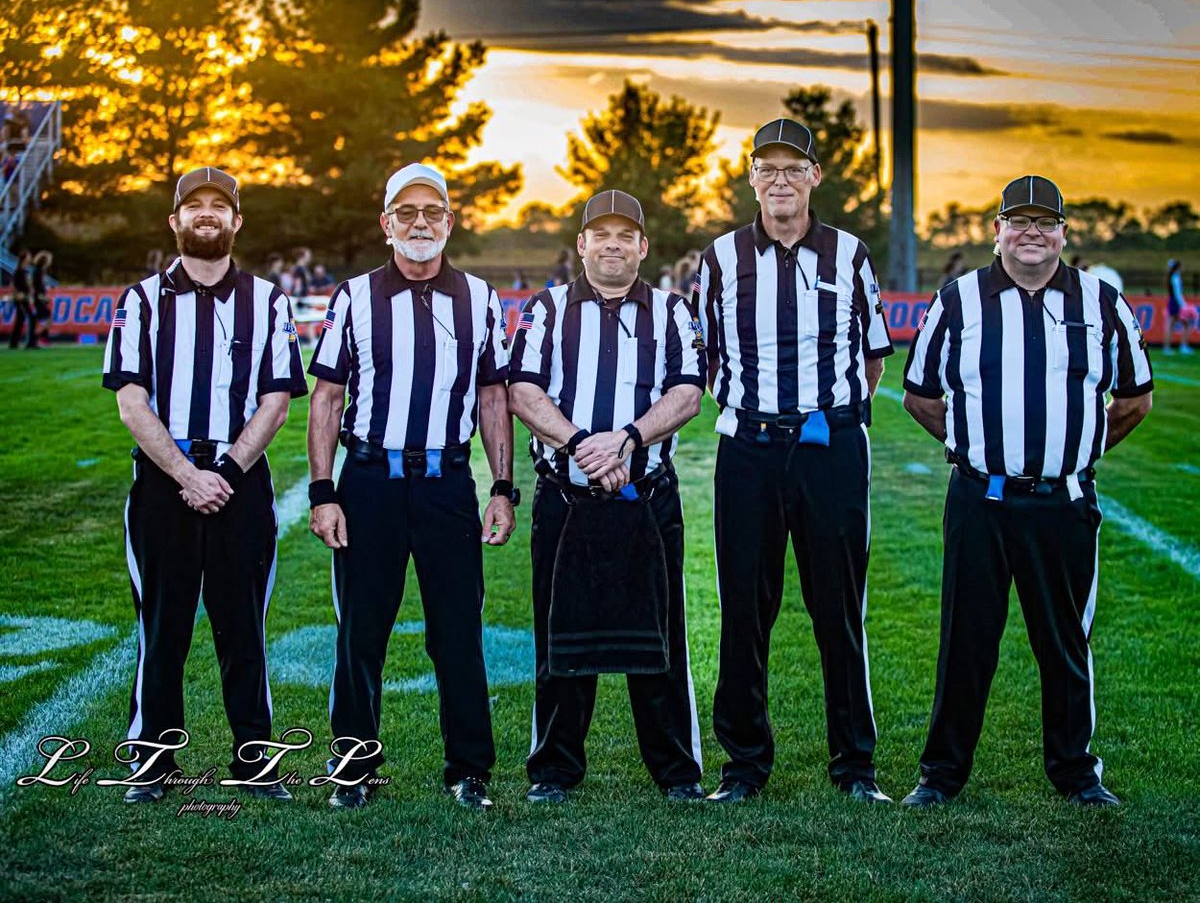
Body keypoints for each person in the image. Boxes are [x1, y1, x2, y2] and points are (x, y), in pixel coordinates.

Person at [900, 175, 1153, 808]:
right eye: (1020, 221)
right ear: (998, 230)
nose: (1032, 233)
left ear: (1064, 232)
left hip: (1063, 502)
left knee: (1065, 642)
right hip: (980, 500)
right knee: (966, 640)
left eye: (1045, 222)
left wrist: (1075, 454)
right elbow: (920, 397)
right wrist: (977, 451)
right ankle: (940, 775)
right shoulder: (957, 300)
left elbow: (1134, 399)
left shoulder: (1100, 303)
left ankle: (1075, 773)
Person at [694, 117, 895, 804]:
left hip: (828, 449)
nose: (780, 180)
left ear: (814, 175)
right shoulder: (720, 258)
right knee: (745, 608)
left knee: (838, 607)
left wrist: (827, 416)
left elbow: (872, 358)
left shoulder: (851, 255)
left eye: (792, 167)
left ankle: (855, 766)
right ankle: (744, 764)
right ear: (751, 177)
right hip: (746, 448)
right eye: (767, 168)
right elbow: (708, 355)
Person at [307, 163, 516, 812]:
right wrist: (322, 491)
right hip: (369, 480)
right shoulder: (354, 297)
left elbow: (491, 396)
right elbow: (327, 398)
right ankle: (354, 765)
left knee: (456, 632)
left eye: (432, 211)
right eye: (407, 212)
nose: (420, 223)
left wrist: (503, 486)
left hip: (445, 483)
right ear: (387, 223)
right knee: (360, 633)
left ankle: (469, 770)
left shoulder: (479, 299)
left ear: (449, 221)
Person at [102, 167, 308, 804]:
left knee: (242, 628)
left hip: (240, 482)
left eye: (221, 205)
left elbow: (277, 401)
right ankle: (153, 760)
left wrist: (224, 472)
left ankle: (254, 760)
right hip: (164, 484)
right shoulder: (140, 301)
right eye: (196, 206)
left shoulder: (268, 300)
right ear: (175, 221)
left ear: (237, 220)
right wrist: (188, 475)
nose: (208, 214)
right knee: (161, 629)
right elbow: (132, 403)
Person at [508, 189, 706, 804]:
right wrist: (579, 447)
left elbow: (688, 393)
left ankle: (677, 772)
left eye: (626, 236)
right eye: (602, 235)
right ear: (582, 245)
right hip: (565, 500)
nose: (613, 245)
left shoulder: (672, 311)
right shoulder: (545, 310)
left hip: (646, 496)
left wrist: (625, 440)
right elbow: (523, 390)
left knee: (661, 633)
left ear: (643, 247)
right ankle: (554, 771)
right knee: (558, 634)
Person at [1164, 258, 1194, 355]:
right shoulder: (1175, 278)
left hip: (1173, 302)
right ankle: (1183, 346)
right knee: (1184, 324)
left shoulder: (1172, 276)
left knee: (1171, 325)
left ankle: (1168, 347)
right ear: (1178, 267)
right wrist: (1183, 306)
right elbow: (1178, 294)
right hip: (1176, 303)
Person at [7, 250, 35, 349]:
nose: (30, 258)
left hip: (25, 298)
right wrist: (17, 294)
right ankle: (29, 342)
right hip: (21, 299)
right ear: (24, 258)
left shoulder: (25, 271)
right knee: (29, 318)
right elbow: (14, 284)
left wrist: (30, 295)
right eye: (29, 256)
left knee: (21, 319)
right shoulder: (19, 271)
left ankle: (14, 343)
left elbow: (28, 285)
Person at [31, 250, 52, 347]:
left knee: (45, 318)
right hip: (38, 300)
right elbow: (36, 287)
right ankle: (39, 337)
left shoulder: (40, 272)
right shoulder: (37, 272)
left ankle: (40, 337)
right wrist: (41, 297)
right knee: (45, 318)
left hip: (40, 299)